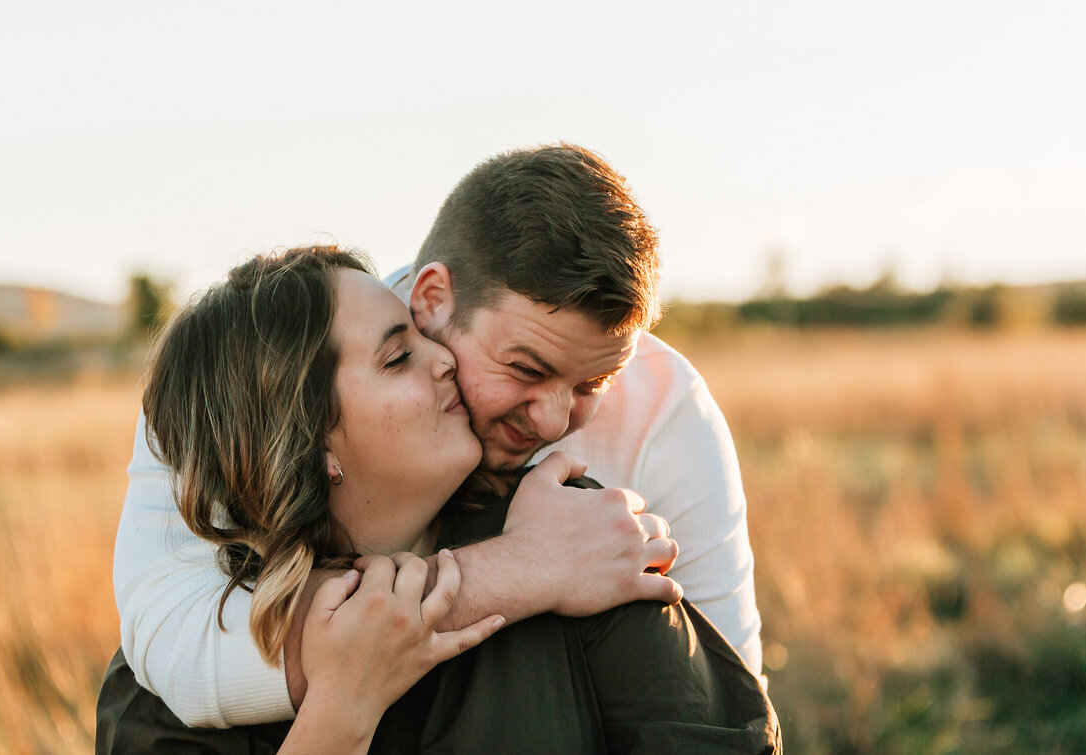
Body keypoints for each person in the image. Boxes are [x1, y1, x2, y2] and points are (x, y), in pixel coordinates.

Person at [113, 144, 762, 727]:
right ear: (432, 299)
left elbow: (724, 700)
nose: (555, 421)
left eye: (596, 383)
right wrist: (523, 567)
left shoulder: (668, 415)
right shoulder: (242, 369)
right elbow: (175, 642)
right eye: (524, 370)